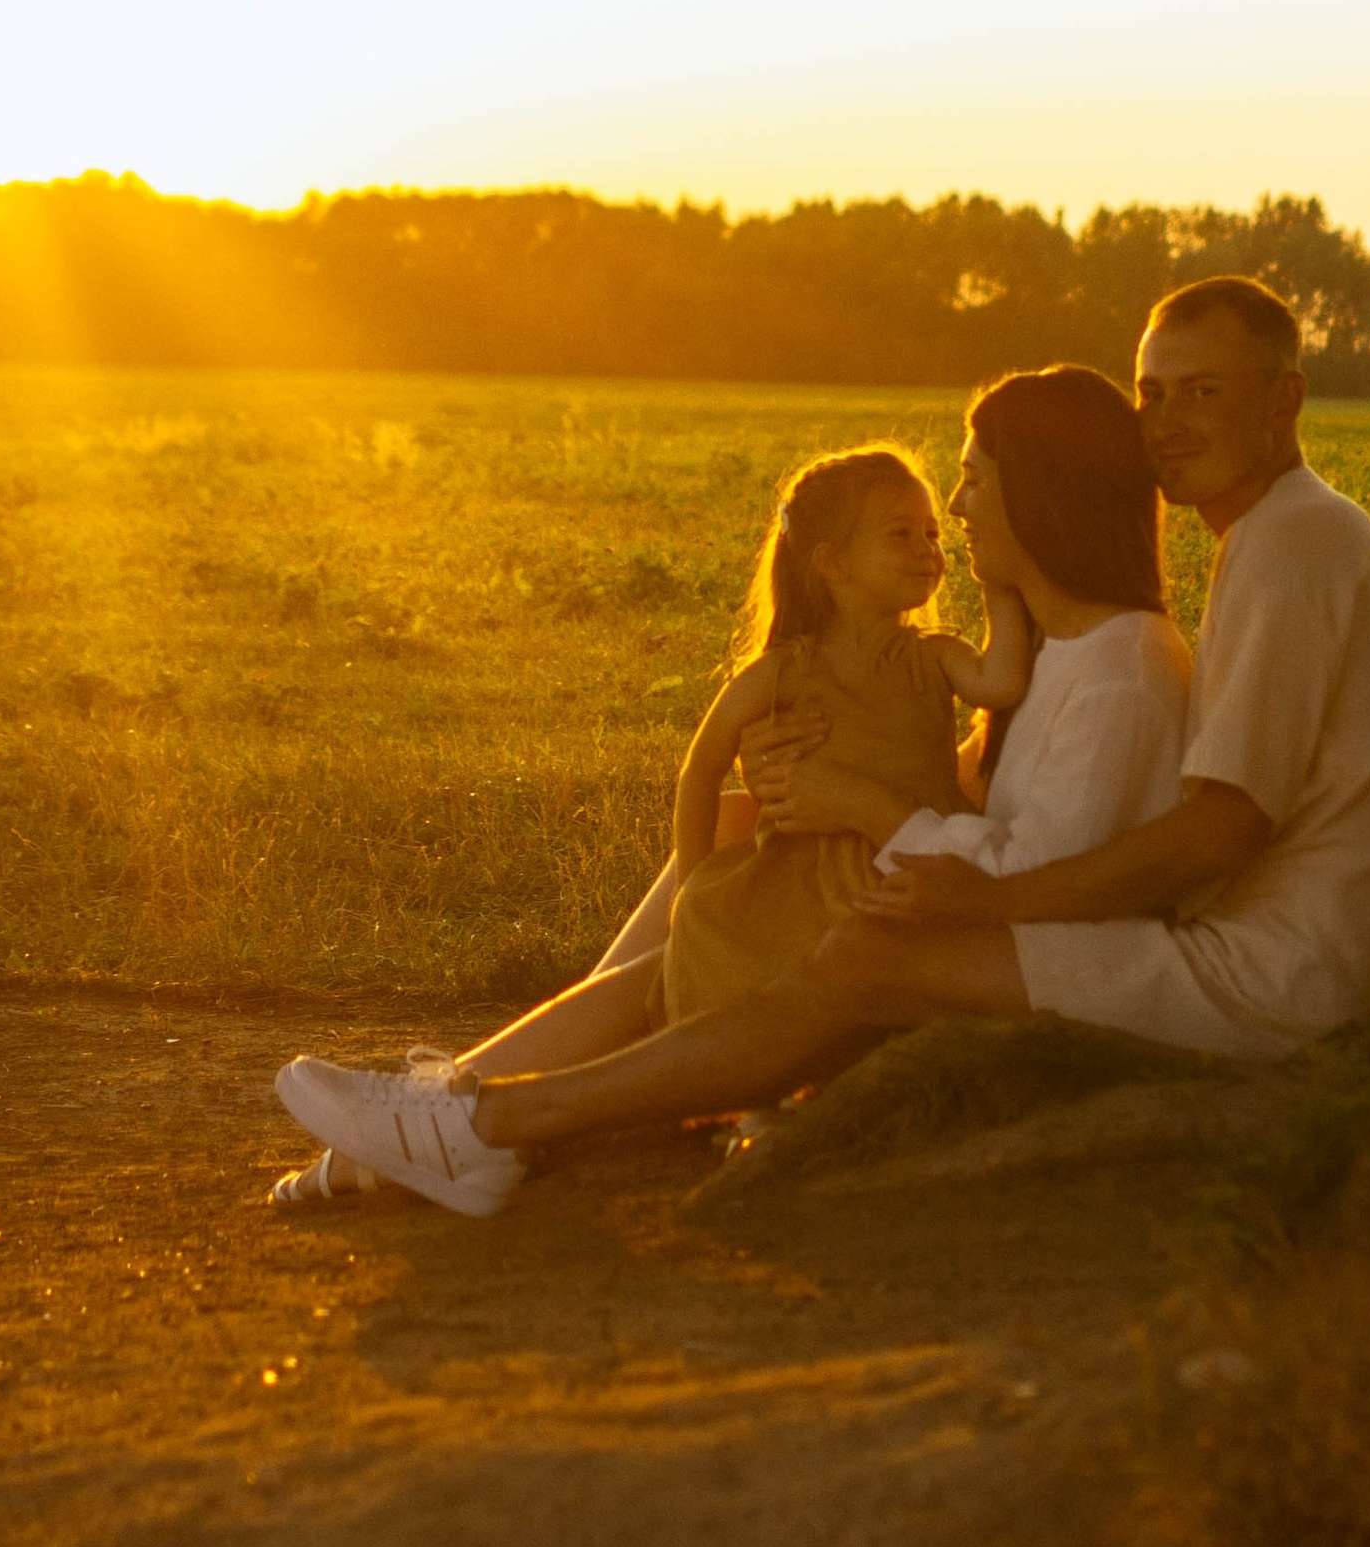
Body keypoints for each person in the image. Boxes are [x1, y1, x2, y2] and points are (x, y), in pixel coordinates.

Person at [271, 364, 1191, 1213]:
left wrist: (857, 803)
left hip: (971, 957)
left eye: (976, 478)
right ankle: (449, 1108)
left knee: (698, 940)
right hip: (927, 902)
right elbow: (976, 796)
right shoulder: (1059, 645)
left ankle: (460, 1116)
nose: (955, 507)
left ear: (1044, 490)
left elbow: (1038, 889)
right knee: (729, 852)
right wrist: (802, 778)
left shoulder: (1121, 673)